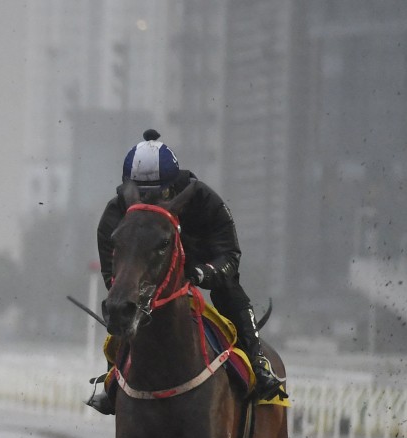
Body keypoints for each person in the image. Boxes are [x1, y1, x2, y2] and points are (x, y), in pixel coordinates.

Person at [86, 129, 285, 414]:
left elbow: (230, 255)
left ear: (174, 187)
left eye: (159, 194)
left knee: (228, 291)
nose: (149, 203)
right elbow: (112, 273)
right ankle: (113, 380)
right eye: (140, 194)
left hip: (199, 260)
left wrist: (202, 273)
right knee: (122, 304)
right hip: (148, 272)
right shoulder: (115, 213)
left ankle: (257, 362)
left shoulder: (205, 201)